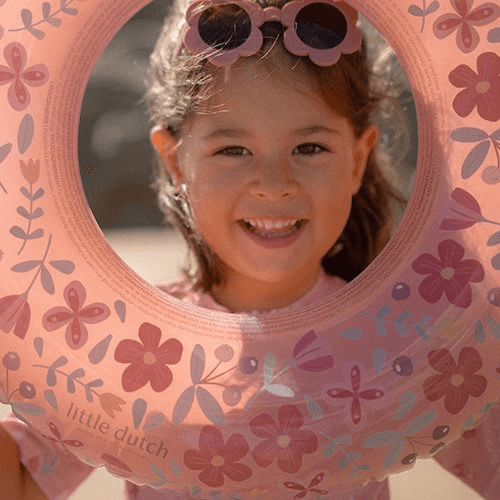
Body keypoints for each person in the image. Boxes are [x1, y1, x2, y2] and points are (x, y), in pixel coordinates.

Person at [1, 0, 499, 498]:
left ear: (357, 159)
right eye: (232, 150)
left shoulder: (405, 343)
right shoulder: (132, 351)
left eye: (309, 148)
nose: (273, 184)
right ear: (175, 162)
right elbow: (21, 480)